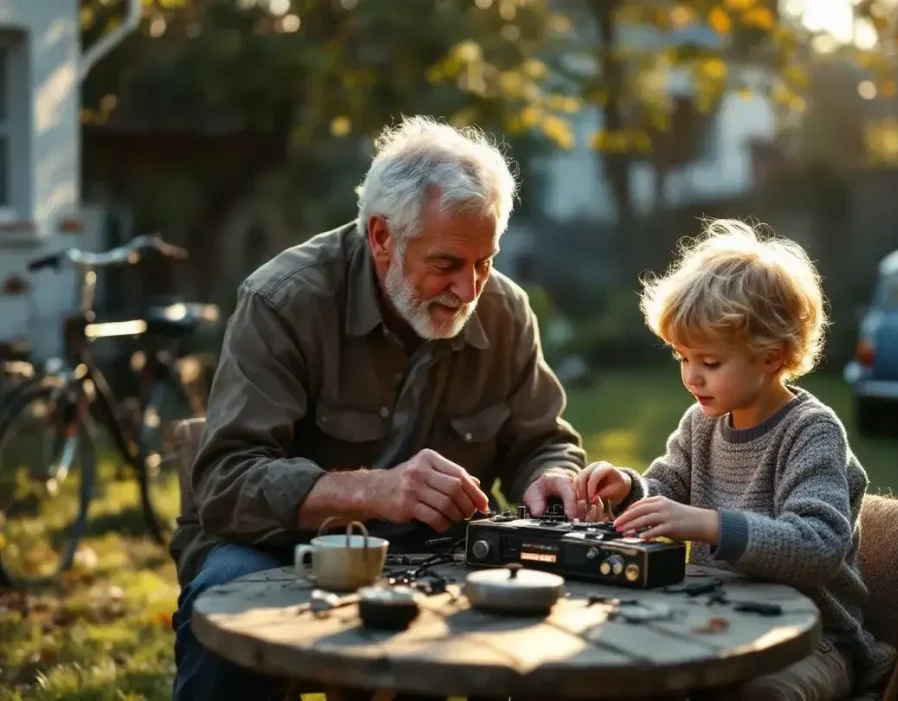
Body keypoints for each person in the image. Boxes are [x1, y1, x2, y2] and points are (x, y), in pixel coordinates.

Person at [170, 115, 586, 701]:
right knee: (226, 611)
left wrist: (552, 477)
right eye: (446, 264)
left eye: (484, 261)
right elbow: (226, 482)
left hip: (434, 554)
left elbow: (542, 438)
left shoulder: (505, 310)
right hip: (275, 547)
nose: (469, 289)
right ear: (382, 237)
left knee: (551, 630)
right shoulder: (285, 301)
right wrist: (375, 490)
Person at [574, 220, 896, 701]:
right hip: (711, 622)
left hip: (810, 641)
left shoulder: (811, 431)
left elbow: (818, 545)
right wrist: (627, 489)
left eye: (709, 362)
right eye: (682, 358)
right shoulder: (701, 423)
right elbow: (665, 489)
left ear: (771, 357)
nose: (691, 378)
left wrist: (709, 525)